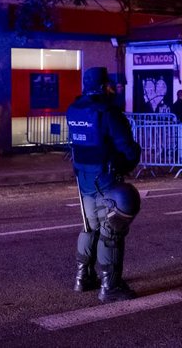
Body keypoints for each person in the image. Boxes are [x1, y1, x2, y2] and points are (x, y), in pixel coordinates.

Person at [67, 67, 142, 303]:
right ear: (102, 86)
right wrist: (130, 160)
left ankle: (83, 277)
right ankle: (110, 286)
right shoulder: (108, 111)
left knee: (90, 227)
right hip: (106, 177)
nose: (112, 87)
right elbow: (126, 146)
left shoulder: (74, 108)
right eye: (109, 84)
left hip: (83, 177)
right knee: (111, 231)